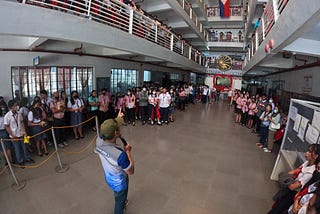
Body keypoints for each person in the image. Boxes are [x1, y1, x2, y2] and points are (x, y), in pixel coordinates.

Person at [96, 110, 134, 214]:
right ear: (116, 133)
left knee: (118, 195)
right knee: (119, 203)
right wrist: (128, 152)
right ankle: (121, 206)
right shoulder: (120, 155)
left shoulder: (99, 140)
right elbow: (130, 171)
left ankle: (123, 200)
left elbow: (108, 129)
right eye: (118, 129)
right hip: (119, 182)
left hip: (109, 177)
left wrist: (118, 118)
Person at [268, 144, 320, 214]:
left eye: (310, 152)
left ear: (316, 156)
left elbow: (292, 187)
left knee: (277, 210)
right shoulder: (307, 163)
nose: (306, 153)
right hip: (290, 192)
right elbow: (291, 172)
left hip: (291, 195)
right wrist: (287, 178)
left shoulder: (311, 172)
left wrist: (286, 179)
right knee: (276, 207)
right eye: (307, 150)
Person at [4, 100, 35, 167]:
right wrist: (12, 135)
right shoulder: (7, 115)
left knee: (25, 147)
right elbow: (6, 126)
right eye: (15, 105)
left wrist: (24, 131)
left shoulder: (19, 113)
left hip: (21, 134)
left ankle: (27, 158)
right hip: (14, 136)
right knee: (17, 149)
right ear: (11, 107)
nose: (17, 106)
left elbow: (22, 122)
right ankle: (20, 161)